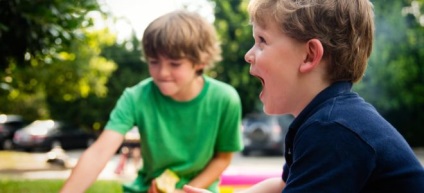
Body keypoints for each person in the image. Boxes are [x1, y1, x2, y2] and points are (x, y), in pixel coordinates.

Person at [184, 0, 424, 193]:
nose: (248, 54)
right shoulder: (325, 119)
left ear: (309, 56)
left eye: (262, 41)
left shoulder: (333, 129)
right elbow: (282, 186)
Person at [60, 10, 243, 193]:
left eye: (175, 63)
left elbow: (223, 158)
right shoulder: (136, 97)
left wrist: (185, 190)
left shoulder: (225, 99)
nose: (162, 73)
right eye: (154, 62)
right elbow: (99, 152)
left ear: (200, 62)